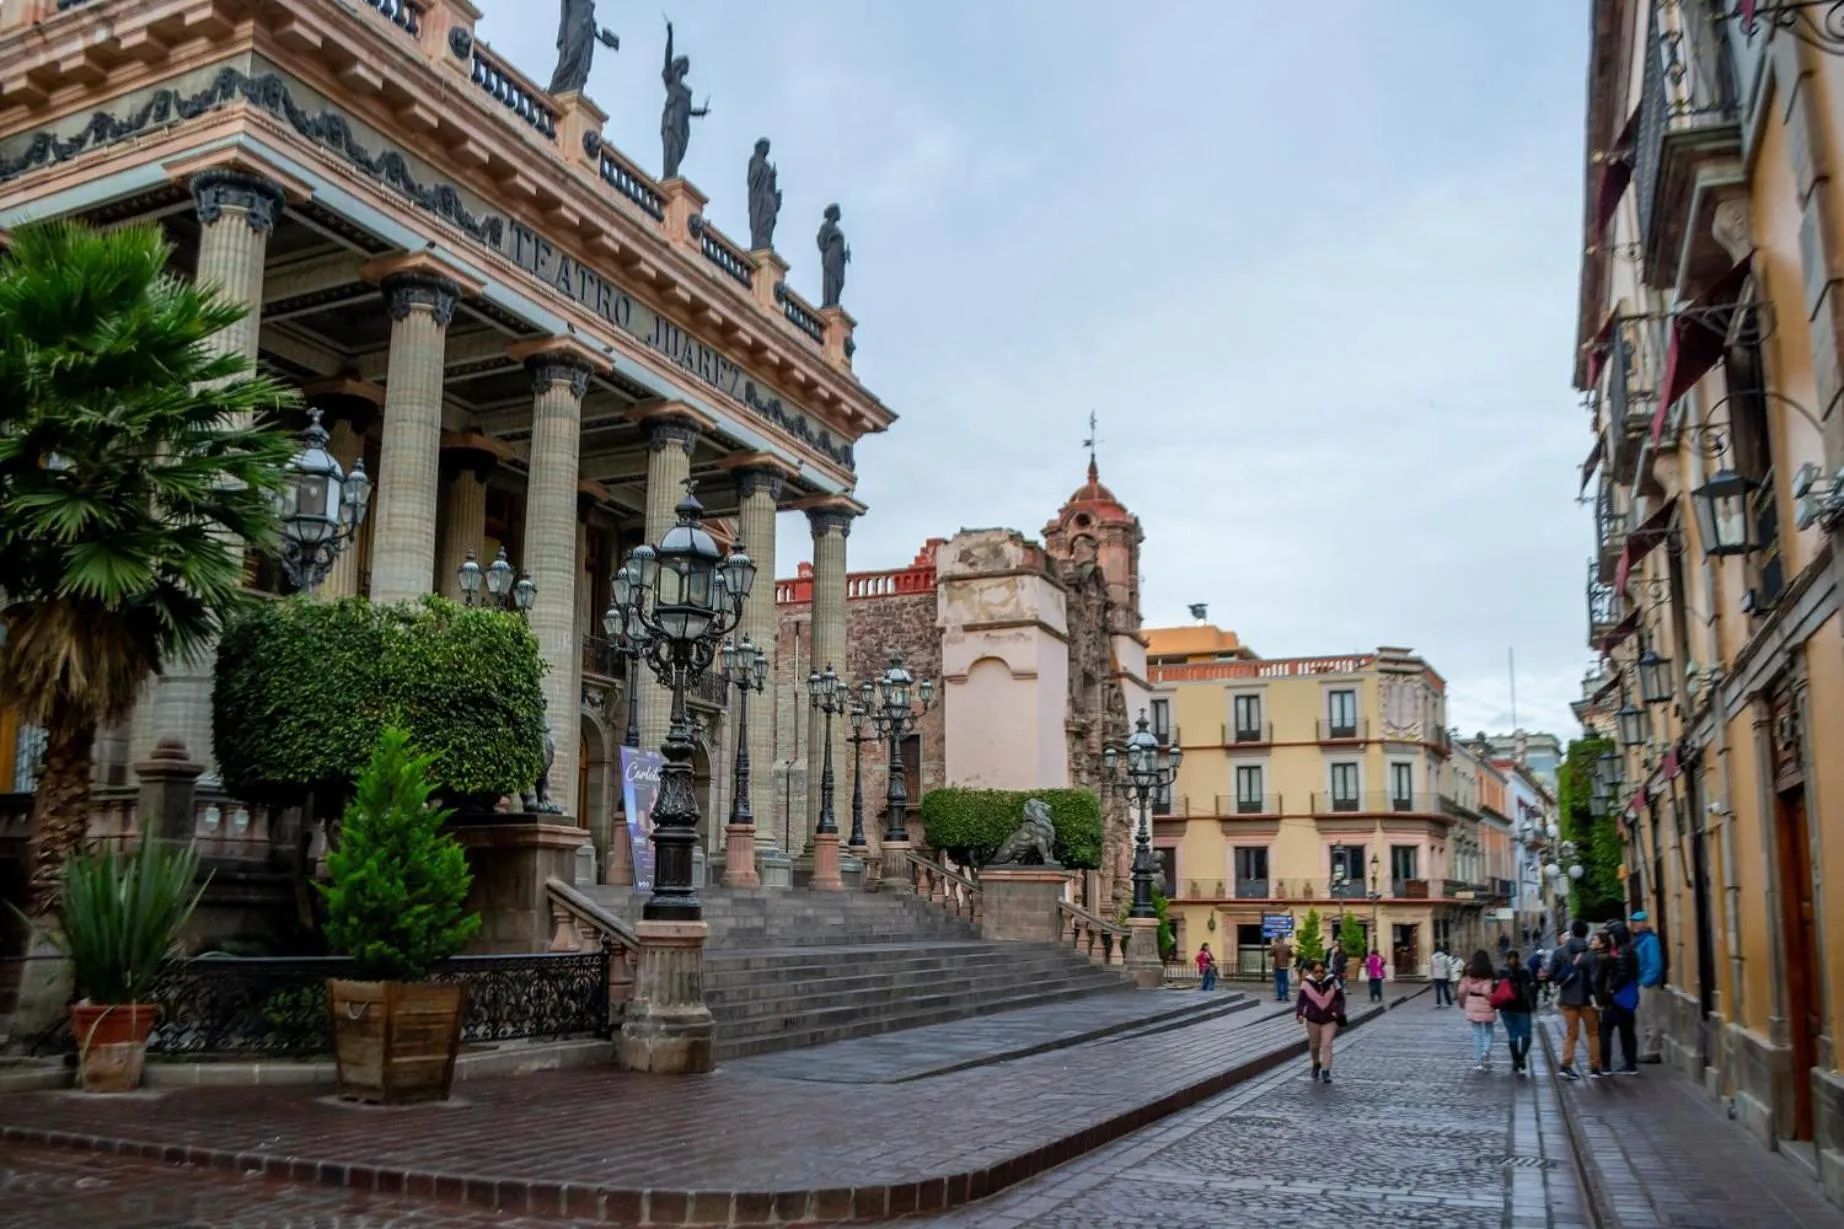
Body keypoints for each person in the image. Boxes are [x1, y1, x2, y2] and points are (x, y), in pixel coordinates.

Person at [1550, 919, 1601, 1080]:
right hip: (1587, 999)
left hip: (1568, 998)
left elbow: (1553, 974)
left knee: (1571, 1034)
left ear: (1571, 932)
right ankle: (1594, 1067)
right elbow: (1596, 978)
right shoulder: (1591, 953)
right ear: (1586, 933)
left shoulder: (1560, 952)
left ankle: (1566, 1065)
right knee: (1593, 1034)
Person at [1595, 923, 1641, 1076]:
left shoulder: (1622, 952)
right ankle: (1630, 1063)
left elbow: (1622, 974)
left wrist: (1611, 989)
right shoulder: (1631, 950)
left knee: (1606, 1031)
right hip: (1628, 996)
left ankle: (1606, 1065)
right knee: (1627, 1031)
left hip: (1618, 998)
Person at [1295, 959, 1346, 1084]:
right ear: (1312, 971)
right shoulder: (1306, 983)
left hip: (1330, 1019)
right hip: (1313, 1019)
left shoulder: (1333, 981)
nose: (1318, 974)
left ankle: (1326, 1071)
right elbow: (1301, 1001)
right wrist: (1300, 1014)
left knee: (1327, 1044)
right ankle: (1316, 1063)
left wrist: (1338, 1012)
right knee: (1314, 1046)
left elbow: (1340, 999)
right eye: (1316, 971)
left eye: (1321, 971)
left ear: (1325, 970)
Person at [1455, 949, 1499, 1071]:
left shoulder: (1468, 973)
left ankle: (1479, 1061)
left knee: (1477, 1034)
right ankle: (1486, 1050)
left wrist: (1461, 1003)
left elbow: (1461, 991)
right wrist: (1493, 1000)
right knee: (1489, 1030)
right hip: (1487, 1004)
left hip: (1472, 1004)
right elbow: (1488, 991)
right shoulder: (1489, 973)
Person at [1631, 911, 1665, 1063]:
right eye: (1634, 922)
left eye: (1638, 922)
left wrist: (1647, 981)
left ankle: (1653, 1050)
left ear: (1645, 923)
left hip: (1647, 984)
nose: (1635, 925)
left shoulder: (1650, 940)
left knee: (1650, 1016)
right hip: (1640, 982)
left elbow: (1655, 963)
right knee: (1644, 1016)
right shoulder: (1639, 940)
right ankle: (1649, 1049)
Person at [1498, 950, 1537, 1077]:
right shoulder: (1525, 971)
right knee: (1526, 1035)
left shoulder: (1502, 972)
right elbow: (1532, 988)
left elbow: (1496, 989)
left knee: (1512, 1035)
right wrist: (1534, 1004)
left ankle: (1515, 1061)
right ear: (1518, 958)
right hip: (1522, 1007)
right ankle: (1521, 1058)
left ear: (1506, 958)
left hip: (1506, 1007)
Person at [1268, 934, 1293, 1002]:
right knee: (1285, 982)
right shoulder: (1287, 946)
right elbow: (1291, 955)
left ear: (1278, 939)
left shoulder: (1275, 946)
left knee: (1279, 982)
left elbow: (1269, 954)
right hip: (1285, 967)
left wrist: (1274, 948)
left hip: (1278, 966)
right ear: (1283, 939)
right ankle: (1285, 997)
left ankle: (1279, 996)